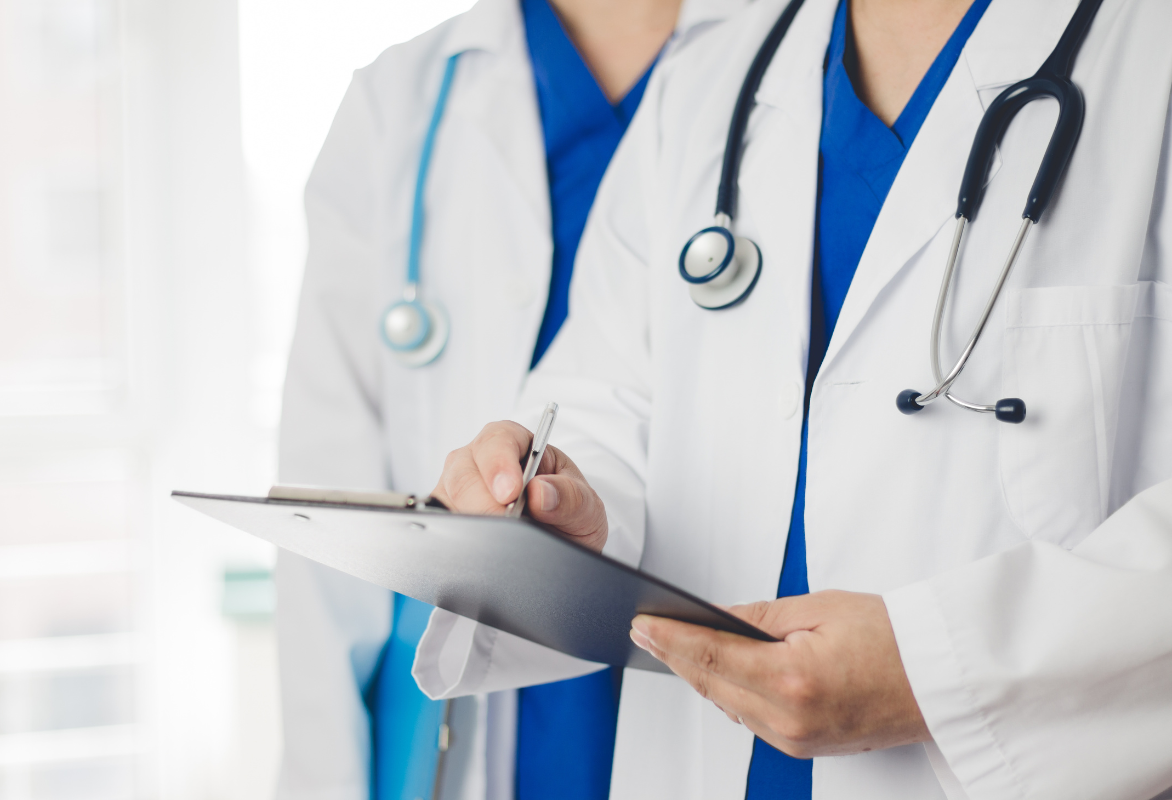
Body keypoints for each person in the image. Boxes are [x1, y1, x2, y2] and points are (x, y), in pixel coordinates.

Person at [415, 0, 1172, 798]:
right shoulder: (710, 78)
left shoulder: (1145, 51)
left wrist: (946, 666)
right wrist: (556, 503)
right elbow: (609, 399)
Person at [273, 0, 751, 798]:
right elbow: (325, 517)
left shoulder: (784, 63)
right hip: (452, 709)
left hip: (698, 673)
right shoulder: (403, 101)